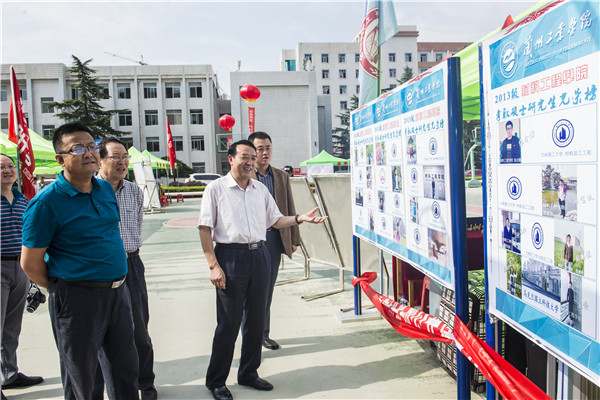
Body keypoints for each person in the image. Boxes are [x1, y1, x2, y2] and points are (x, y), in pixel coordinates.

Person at [198, 140, 326, 400]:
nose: (250, 162)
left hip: (260, 255)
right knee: (229, 323)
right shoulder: (216, 189)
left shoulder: (260, 190)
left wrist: (300, 218)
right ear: (231, 159)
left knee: (256, 320)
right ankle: (216, 381)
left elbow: (276, 220)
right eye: (244, 157)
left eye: (252, 158)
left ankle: (248, 373)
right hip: (230, 257)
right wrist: (213, 265)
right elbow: (204, 228)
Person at [20, 123, 139, 400]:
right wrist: (63, 287)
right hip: (76, 298)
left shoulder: (104, 189)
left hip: (117, 293)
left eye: (92, 146)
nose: (88, 153)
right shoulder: (46, 203)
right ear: (60, 159)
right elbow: (30, 263)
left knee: (125, 370)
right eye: (77, 148)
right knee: (82, 378)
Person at [95, 137, 157, 400]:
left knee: (139, 329)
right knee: (102, 333)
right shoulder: (89, 191)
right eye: (115, 157)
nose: (122, 162)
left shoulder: (134, 191)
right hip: (100, 270)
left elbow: (136, 227)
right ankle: (110, 387)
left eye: (125, 157)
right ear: (100, 160)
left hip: (132, 264)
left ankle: (145, 382)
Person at [248, 132, 301, 351]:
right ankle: (250, 336)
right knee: (249, 292)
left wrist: (293, 238)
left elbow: (289, 206)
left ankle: (263, 334)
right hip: (249, 240)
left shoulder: (280, 176)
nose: (265, 152)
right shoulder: (244, 175)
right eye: (260, 148)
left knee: (266, 290)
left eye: (268, 147)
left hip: (273, 239)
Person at [1, 154, 44, 400]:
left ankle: (9, 373)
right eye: (1, 167)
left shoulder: (22, 200)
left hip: (20, 268)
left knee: (12, 326)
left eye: (10, 166)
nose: (7, 170)